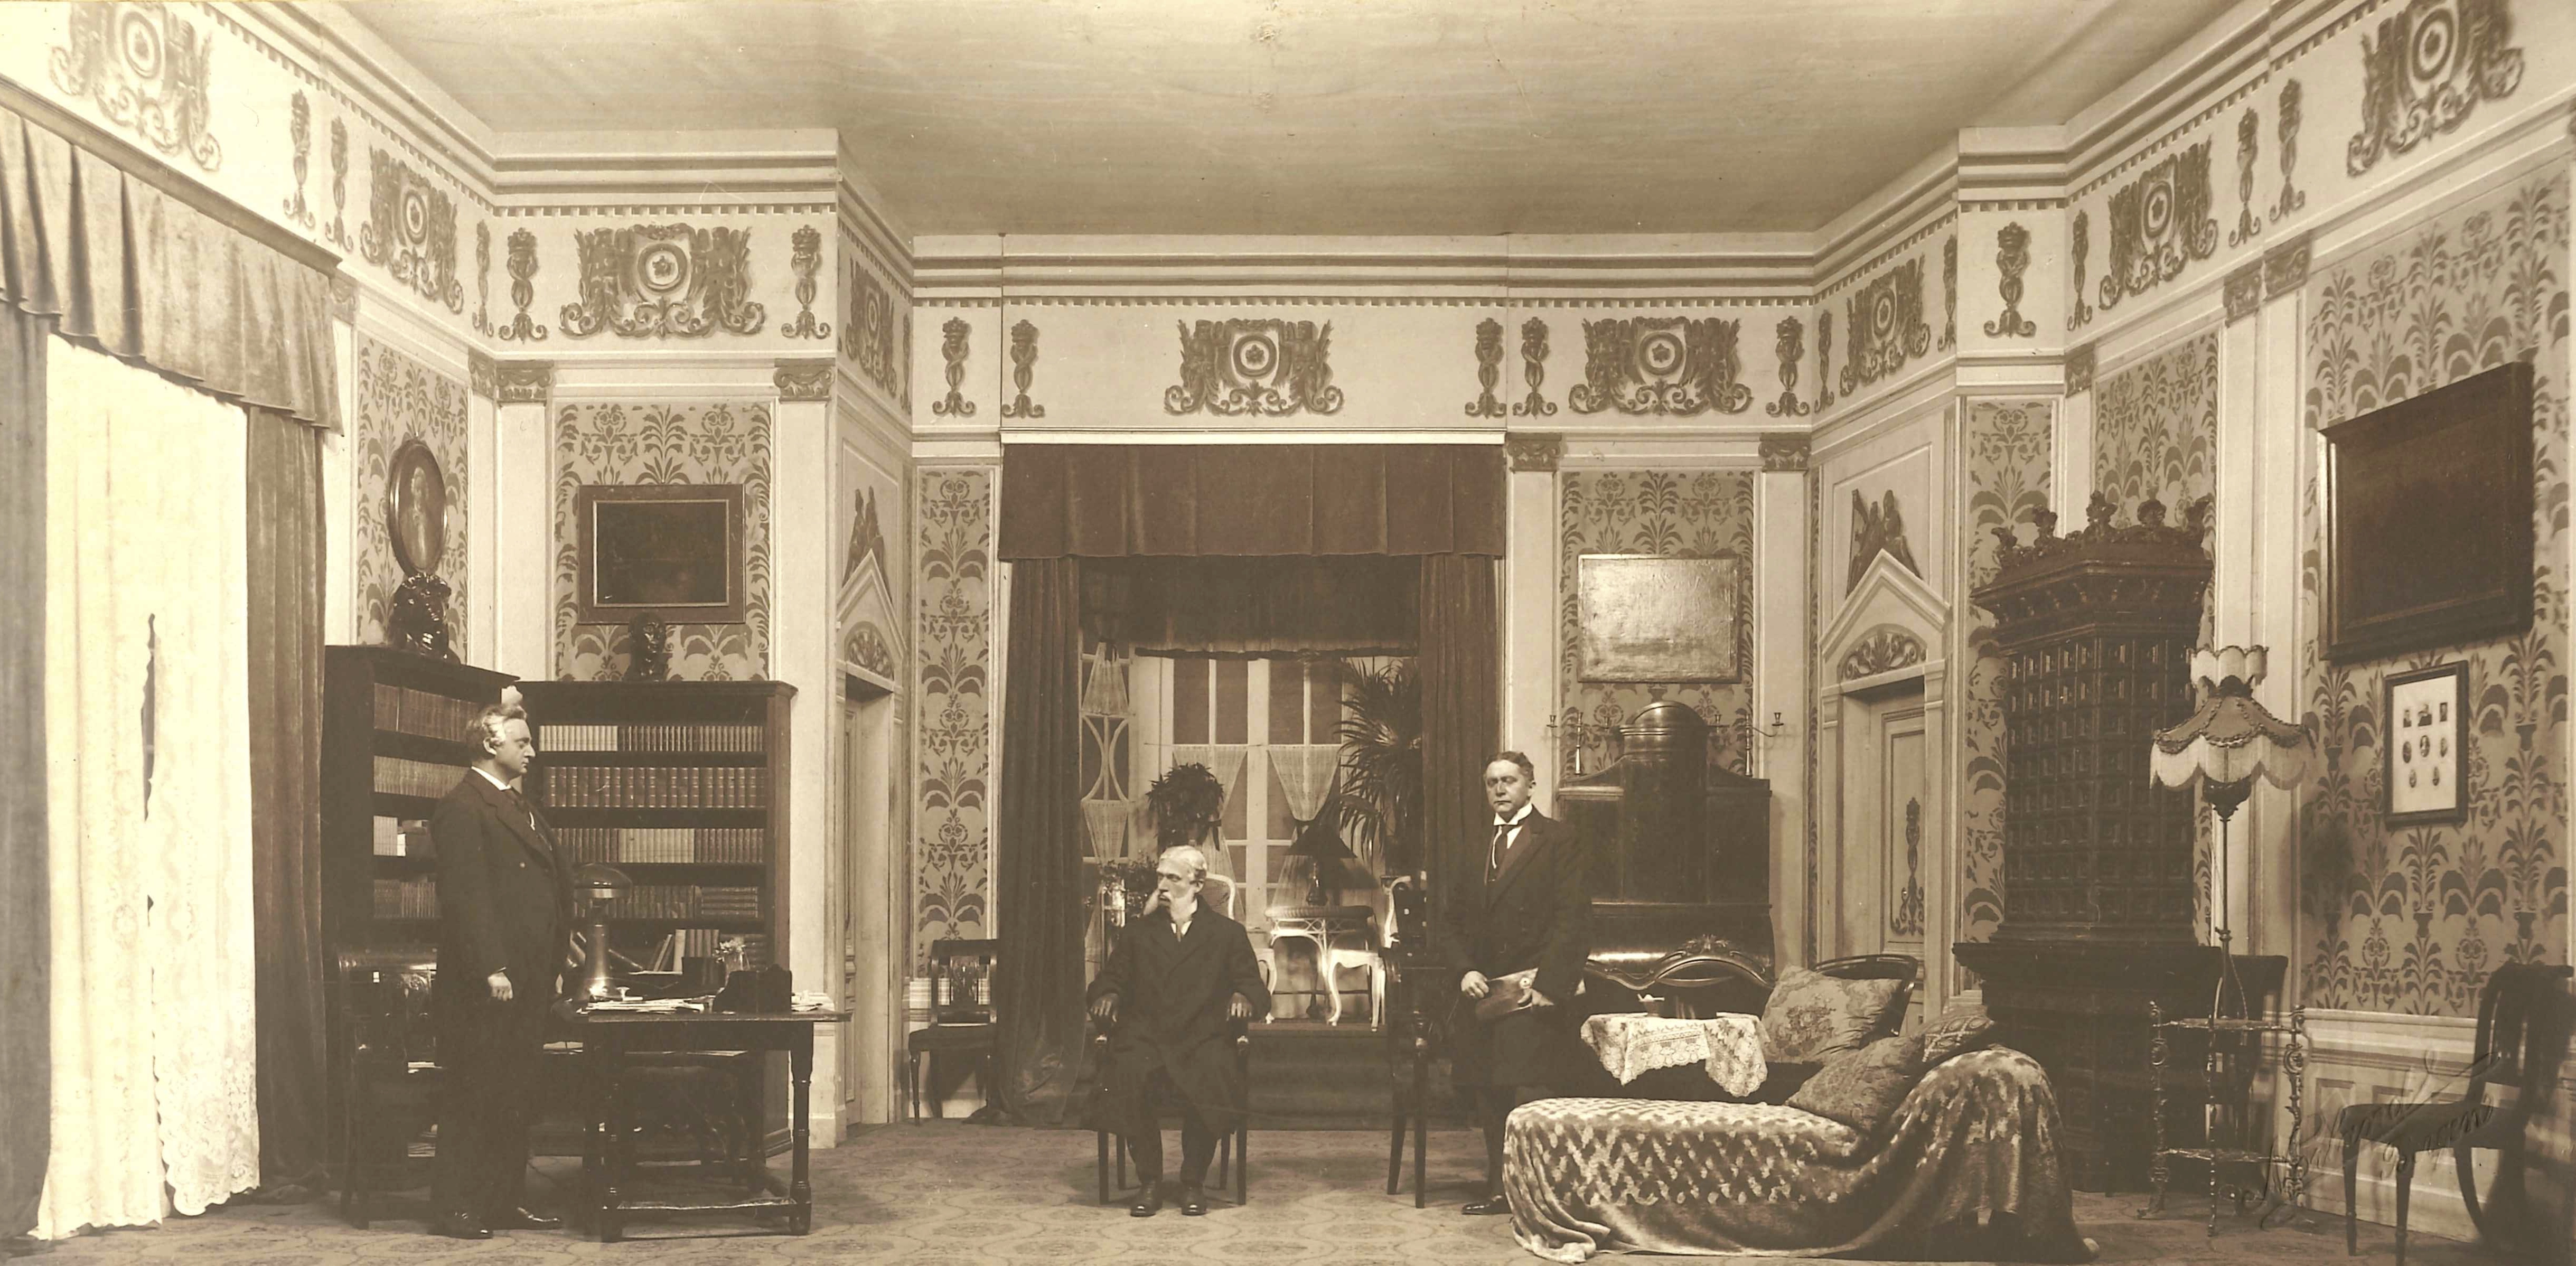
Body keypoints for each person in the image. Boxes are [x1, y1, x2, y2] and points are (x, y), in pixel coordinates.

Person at [428, 704, 574, 1240]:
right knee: (475, 1093)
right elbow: (466, 899)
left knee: (515, 1093)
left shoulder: (517, 804)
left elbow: (545, 887)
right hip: (489, 981)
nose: (532, 751)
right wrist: (492, 967)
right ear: (491, 745)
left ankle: (504, 1200)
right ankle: (455, 1208)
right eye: (523, 742)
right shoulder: (463, 807)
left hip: (529, 975)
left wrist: (553, 960)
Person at [1440, 751, 1591, 1215]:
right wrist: (1464, 969)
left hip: (1533, 991)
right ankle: (1500, 1187)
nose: (1499, 789)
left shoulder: (1559, 838)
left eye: (1508, 780)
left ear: (1529, 785)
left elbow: (1574, 918)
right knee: (1489, 1091)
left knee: (1531, 1091)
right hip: (1485, 991)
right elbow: (1449, 920)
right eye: (1492, 782)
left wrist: (1550, 984)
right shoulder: (1474, 843)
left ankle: (1543, 1193)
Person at [1086, 843, 1270, 1218]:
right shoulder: (1138, 933)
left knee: (1212, 1071)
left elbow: (1254, 986)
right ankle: (1149, 1180)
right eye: (1160, 878)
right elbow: (1111, 978)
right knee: (1127, 1071)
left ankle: (1192, 1181)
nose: (1163, 886)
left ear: (1197, 884)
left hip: (1202, 1036)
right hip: (1147, 1036)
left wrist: (1243, 995)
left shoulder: (1227, 934)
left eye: (1173, 878)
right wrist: (1108, 994)